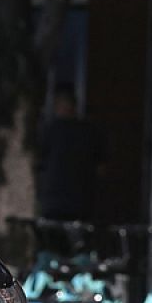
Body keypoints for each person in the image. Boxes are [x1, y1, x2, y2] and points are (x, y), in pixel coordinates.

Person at [36, 85, 105, 222]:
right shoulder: (89, 131)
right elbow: (101, 168)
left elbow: (39, 162)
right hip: (82, 203)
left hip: (54, 203)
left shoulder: (50, 130)